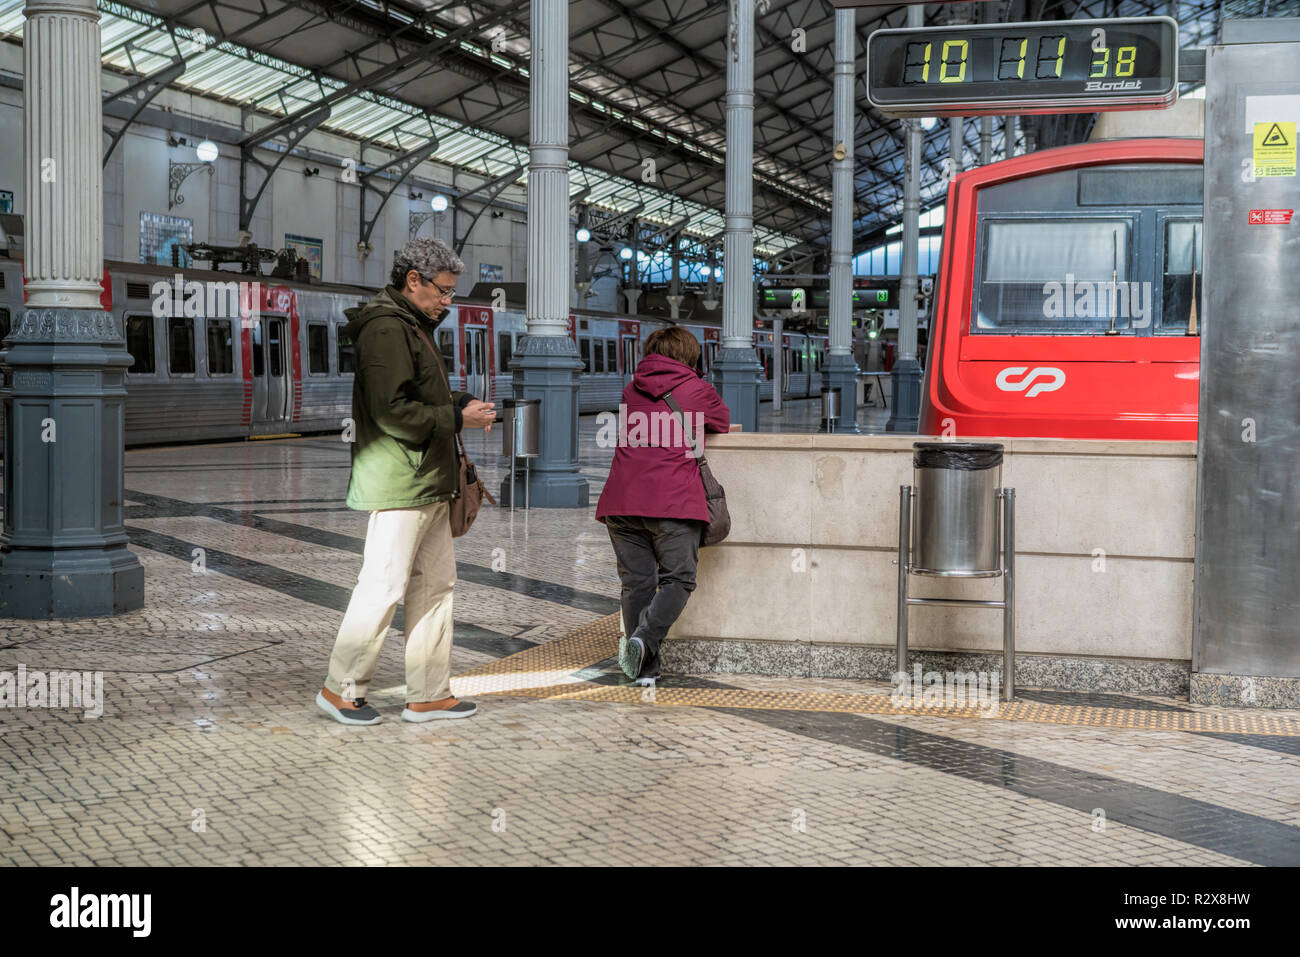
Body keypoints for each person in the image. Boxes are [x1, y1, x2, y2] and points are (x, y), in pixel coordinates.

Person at [316, 238, 495, 725]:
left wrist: (458, 403)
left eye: (451, 293)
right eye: (443, 291)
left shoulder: (414, 325)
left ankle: (430, 693)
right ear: (413, 279)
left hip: (429, 479)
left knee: (436, 586)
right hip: (401, 479)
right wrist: (457, 421)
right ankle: (341, 690)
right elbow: (390, 411)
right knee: (383, 585)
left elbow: (420, 392)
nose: (447, 301)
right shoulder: (386, 329)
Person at [595, 326, 730, 686]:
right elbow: (722, 422)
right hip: (672, 503)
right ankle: (643, 639)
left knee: (637, 583)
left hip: (622, 503)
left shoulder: (630, 389)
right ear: (690, 355)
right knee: (679, 580)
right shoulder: (697, 390)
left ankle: (644, 672)